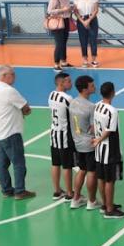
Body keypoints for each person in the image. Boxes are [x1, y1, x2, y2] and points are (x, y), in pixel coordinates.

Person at [0, 65, 35, 199]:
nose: (14, 76)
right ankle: (20, 191)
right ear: (3, 76)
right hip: (10, 133)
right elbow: (26, 108)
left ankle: (6, 189)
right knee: (19, 163)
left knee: (2, 164)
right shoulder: (9, 91)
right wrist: (24, 111)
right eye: (12, 74)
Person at [93, 82, 124, 219]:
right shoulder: (112, 111)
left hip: (99, 151)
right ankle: (110, 210)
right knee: (110, 180)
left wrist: (97, 141)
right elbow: (109, 130)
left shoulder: (97, 106)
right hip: (110, 150)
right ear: (113, 92)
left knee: (101, 177)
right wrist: (99, 139)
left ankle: (105, 204)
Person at [69, 75, 98, 209]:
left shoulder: (73, 103)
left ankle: (76, 199)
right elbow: (93, 128)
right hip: (89, 144)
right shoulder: (91, 106)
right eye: (92, 85)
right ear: (85, 89)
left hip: (77, 142)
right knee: (92, 172)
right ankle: (91, 201)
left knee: (82, 170)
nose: (94, 87)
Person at [48, 72, 75, 200]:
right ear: (61, 83)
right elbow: (74, 115)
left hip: (54, 134)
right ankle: (70, 193)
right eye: (68, 81)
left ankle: (57, 191)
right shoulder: (67, 98)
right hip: (64, 135)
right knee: (67, 165)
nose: (71, 83)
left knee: (55, 163)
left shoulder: (51, 95)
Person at [46, 0, 73, 71]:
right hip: (58, 21)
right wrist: (63, 10)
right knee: (59, 43)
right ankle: (56, 63)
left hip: (66, 20)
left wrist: (70, 9)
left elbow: (67, 9)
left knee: (64, 42)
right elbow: (50, 11)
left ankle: (64, 61)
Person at [73, 0, 100, 68]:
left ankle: (94, 59)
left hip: (92, 19)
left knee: (93, 39)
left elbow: (96, 10)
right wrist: (82, 21)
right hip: (81, 20)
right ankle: (85, 59)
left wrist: (89, 20)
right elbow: (75, 11)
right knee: (83, 40)